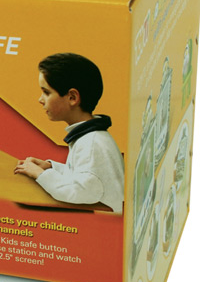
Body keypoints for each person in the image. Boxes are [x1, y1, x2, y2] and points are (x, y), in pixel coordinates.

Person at [14, 53, 125, 213]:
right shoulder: (89, 137)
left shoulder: (91, 144)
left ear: (72, 97)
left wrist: (40, 174)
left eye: (46, 92)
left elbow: (80, 192)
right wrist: (51, 167)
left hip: (106, 223)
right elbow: (85, 177)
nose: (40, 99)